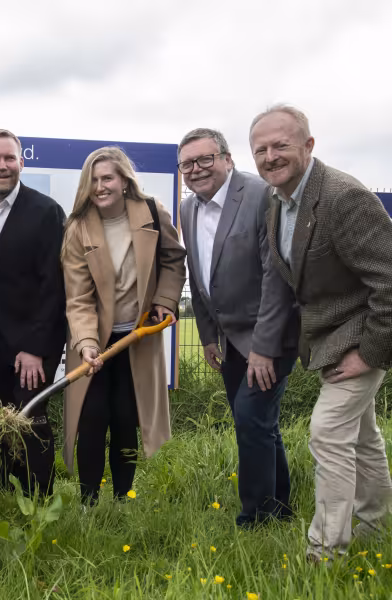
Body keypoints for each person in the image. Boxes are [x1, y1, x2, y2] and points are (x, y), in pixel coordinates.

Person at [250, 104, 392, 560]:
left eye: (280, 146)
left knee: (327, 433)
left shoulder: (343, 197)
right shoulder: (279, 202)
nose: (270, 157)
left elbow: (389, 281)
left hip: (360, 339)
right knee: (363, 438)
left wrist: (369, 353)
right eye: (261, 149)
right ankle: (374, 526)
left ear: (308, 146)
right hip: (330, 343)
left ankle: (326, 551)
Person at [178, 128, 299, 527]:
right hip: (227, 340)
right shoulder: (188, 209)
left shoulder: (260, 194)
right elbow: (198, 276)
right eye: (187, 164)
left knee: (250, 419)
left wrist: (263, 348)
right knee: (259, 423)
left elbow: (276, 276)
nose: (196, 169)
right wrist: (209, 336)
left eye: (205, 159)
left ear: (227, 159)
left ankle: (256, 518)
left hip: (270, 336)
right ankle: (281, 506)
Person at [62, 146, 185, 506]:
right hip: (95, 343)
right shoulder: (77, 228)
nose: (101, 186)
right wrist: (85, 342)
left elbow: (173, 260)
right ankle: (87, 502)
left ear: (124, 181)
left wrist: (164, 300)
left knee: (125, 418)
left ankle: (122, 498)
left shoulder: (151, 212)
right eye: (94, 180)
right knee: (92, 417)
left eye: (108, 178)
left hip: (138, 337)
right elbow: (78, 296)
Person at [0, 129, 66, 497]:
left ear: (22, 162)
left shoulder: (46, 212)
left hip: (34, 339)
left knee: (31, 419)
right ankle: (9, 489)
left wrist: (35, 347)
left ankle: (40, 499)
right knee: (2, 418)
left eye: (9, 158)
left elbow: (54, 285)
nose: (2, 165)